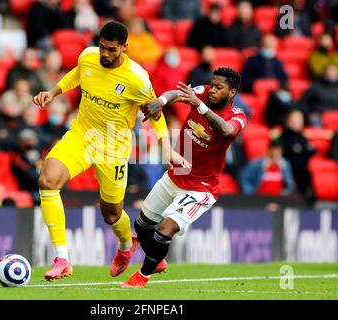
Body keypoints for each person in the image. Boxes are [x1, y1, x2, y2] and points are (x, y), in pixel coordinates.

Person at [32, 21, 189, 281]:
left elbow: (156, 113)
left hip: (113, 148)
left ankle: (127, 247)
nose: (105, 54)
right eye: (102, 47)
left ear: (125, 48)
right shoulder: (89, 56)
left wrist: (167, 148)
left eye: (111, 50)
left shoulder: (137, 79)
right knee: (47, 181)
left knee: (111, 213)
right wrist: (53, 91)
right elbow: (78, 73)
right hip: (81, 135)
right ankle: (62, 259)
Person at [121, 67, 247, 288]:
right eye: (213, 85)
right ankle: (157, 260)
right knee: (142, 226)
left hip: (200, 187)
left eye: (219, 88)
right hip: (175, 175)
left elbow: (227, 131)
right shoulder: (203, 92)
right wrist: (160, 101)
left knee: (165, 230)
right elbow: (176, 94)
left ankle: (142, 276)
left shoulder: (237, 115)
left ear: (232, 93)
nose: (213, 90)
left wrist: (200, 106)